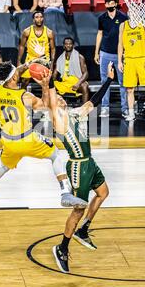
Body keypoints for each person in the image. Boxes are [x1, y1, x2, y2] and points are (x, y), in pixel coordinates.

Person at [0, 60, 87, 210]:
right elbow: (45, 105)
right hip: (27, 139)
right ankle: (65, 193)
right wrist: (45, 86)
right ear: (13, 78)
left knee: (3, 166)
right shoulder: (25, 96)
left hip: (7, 141)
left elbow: (10, 75)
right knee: (55, 154)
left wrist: (28, 64)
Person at [50, 63, 113, 273]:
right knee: (78, 209)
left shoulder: (77, 111)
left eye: (61, 97)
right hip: (77, 165)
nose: (61, 98)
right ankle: (62, 248)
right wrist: (48, 80)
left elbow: (94, 100)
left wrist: (109, 80)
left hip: (90, 162)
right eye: (57, 98)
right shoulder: (58, 122)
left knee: (103, 193)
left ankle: (83, 229)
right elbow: (50, 98)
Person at [94, 0, 128, 118]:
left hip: (119, 54)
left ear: (116, 4)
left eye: (112, 3)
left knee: (123, 82)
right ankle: (105, 107)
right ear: (105, 5)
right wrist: (96, 52)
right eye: (108, 4)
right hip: (105, 52)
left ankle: (125, 108)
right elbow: (99, 34)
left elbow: (126, 36)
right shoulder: (102, 18)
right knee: (104, 81)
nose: (110, 5)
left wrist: (125, 52)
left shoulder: (123, 17)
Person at [18, 11, 56, 81]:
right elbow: (22, 46)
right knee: (25, 80)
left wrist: (52, 63)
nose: (39, 19)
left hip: (44, 60)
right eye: (37, 17)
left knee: (46, 80)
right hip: (30, 59)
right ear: (33, 20)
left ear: (43, 19)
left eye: (41, 17)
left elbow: (53, 49)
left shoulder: (49, 32)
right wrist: (19, 60)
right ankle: (23, 92)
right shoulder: (27, 31)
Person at [54, 37, 90, 103]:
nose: (68, 45)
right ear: (63, 46)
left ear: (73, 45)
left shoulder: (80, 57)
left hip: (76, 82)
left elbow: (86, 73)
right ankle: (53, 110)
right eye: (66, 44)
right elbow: (55, 74)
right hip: (65, 83)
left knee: (84, 85)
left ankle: (85, 111)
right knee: (49, 86)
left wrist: (78, 84)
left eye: (70, 44)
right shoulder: (60, 59)